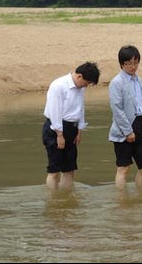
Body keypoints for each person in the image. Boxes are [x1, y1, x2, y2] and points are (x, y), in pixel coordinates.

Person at [42, 62, 100, 191]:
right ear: (79, 76)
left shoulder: (80, 88)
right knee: (54, 170)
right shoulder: (58, 86)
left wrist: (79, 130)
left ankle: (66, 199)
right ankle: (53, 201)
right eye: (86, 83)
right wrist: (59, 135)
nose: (86, 86)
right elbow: (54, 112)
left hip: (72, 129)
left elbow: (80, 109)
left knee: (69, 169)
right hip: (55, 129)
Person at [108, 45, 142, 189]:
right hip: (124, 128)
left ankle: (140, 196)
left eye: (136, 62)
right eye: (129, 63)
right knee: (124, 168)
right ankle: (121, 201)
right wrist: (128, 131)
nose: (133, 66)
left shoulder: (139, 80)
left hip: (140, 124)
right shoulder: (116, 82)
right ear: (122, 64)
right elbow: (117, 109)